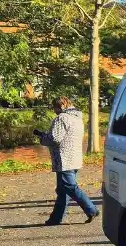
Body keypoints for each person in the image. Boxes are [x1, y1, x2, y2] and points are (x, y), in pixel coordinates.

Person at [36, 96, 99, 226]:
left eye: (55, 108)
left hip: (64, 159)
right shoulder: (77, 118)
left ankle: (91, 209)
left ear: (61, 106)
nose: (54, 111)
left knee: (70, 187)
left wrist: (43, 137)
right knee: (62, 190)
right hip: (75, 158)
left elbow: (55, 138)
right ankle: (55, 219)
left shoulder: (62, 118)